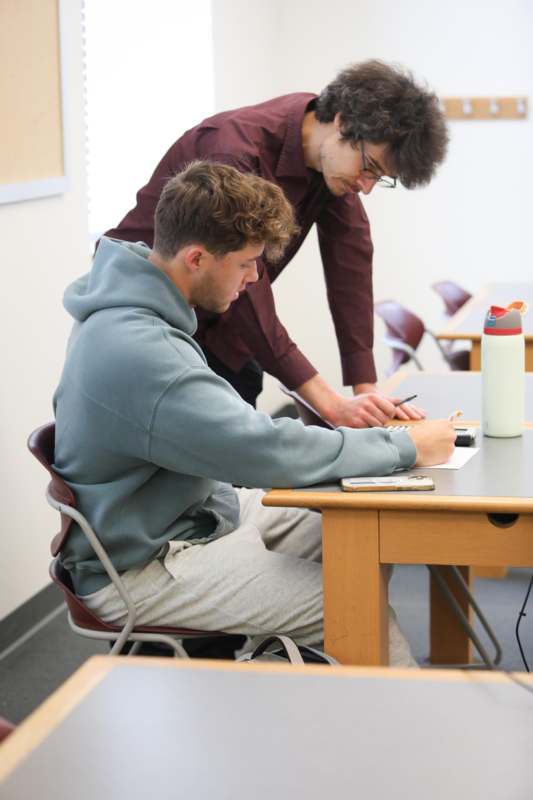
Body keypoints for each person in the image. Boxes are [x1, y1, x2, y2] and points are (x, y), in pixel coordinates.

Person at [55, 162, 455, 665]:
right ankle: (399, 713)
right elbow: (264, 449)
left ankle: (315, 685)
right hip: (144, 564)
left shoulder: (131, 309)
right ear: (197, 258)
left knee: (356, 536)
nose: (253, 278)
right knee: (354, 602)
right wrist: (405, 446)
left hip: (181, 514)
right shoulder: (143, 350)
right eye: (246, 263)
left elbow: (252, 442)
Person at [104, 59, 448, 427]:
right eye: (370, 168)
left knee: (235, 447)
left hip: (225, 328)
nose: (366, 187)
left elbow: (351, 261)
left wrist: (367, 391)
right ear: (343, 122)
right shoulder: (234, 153)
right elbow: (251, 295)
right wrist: (329, 403)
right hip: (150, 325)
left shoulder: (330, 160)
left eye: (380, 178)